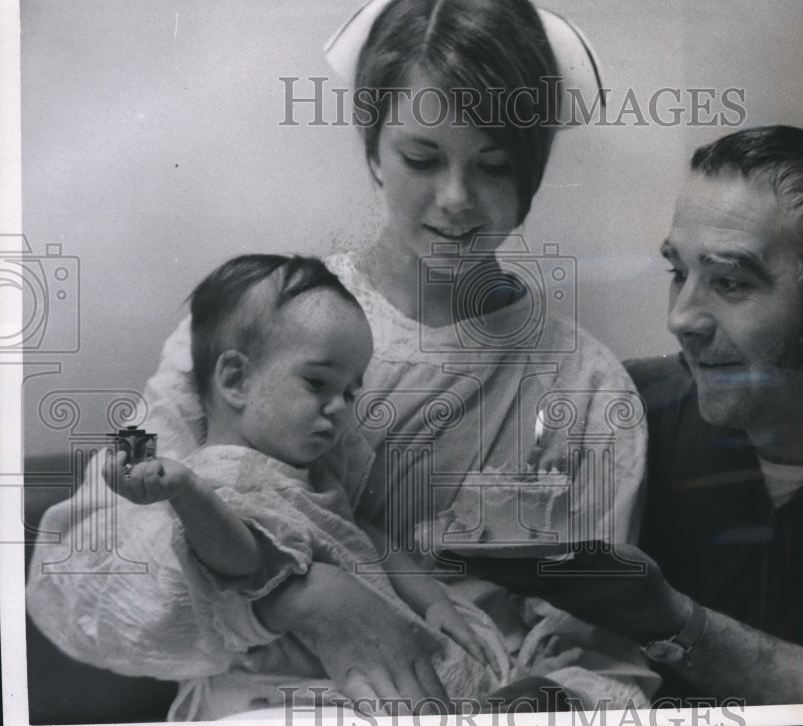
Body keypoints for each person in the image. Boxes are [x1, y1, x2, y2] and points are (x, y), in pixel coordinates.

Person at [26, 0, 655, 718]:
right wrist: (299, 596)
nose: (456, 198)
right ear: (373, 152)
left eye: (493, 165)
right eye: (422, 158)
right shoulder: (262, 323)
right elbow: (78, 583)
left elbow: (602, 657)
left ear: (533, 172)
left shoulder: (586, 390)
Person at [464, 126, 803, 704]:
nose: (682, 319)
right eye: (678, 273)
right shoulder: (623, 408)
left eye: (731, 282)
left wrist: (674, 622)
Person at [83, 253, 508, 717]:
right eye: (317, 382)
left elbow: (368, 540)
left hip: (341, 675)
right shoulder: (224, 475)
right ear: (236, 379)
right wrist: (188, 491)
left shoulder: (314, 477)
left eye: (349, 392)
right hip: (269, 692)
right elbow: (243, 563)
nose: (339, 407)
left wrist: (434, 602)